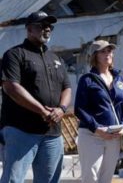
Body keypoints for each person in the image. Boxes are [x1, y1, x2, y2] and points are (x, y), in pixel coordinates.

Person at [0, 11, 71, 183]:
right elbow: (11, 87)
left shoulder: (56, 58)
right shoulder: (15, 54)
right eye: (41, 26)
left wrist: (61, 109)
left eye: (49, 26)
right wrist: (42, 110)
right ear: (29, 29)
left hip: (52, 133)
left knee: (49, 180)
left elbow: (67, 88)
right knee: (13, 179)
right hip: (21, 130)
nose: (46, 30)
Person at [74, 40, 123, 183]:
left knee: (106, 178)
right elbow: (79, 109)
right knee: (91, 177)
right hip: (91, 134)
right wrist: (97, 128)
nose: (107, 54)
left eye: (109, 51)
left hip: (114, 134)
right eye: (103, 51)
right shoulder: (87, 80)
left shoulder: (120, 78)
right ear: (95, 56)